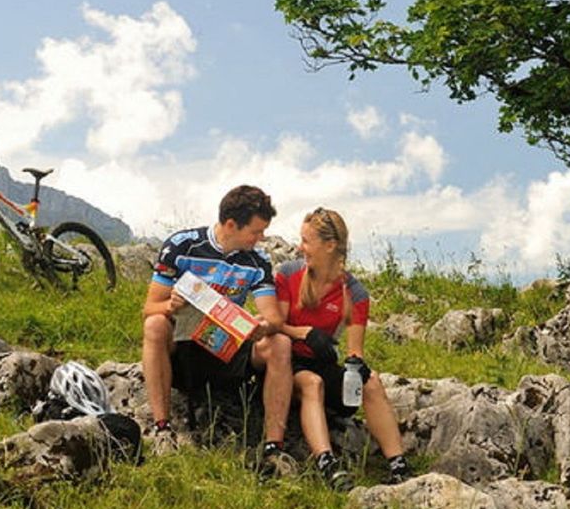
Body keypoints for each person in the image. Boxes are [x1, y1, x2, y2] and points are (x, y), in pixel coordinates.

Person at [141, 184, 295, 475]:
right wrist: (171, 306)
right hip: (184, 348)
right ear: (231, 225)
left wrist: (263, 326)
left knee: (280, 344)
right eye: (256, 231)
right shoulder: (181, 246)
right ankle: (162, 429)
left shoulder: (257, 260)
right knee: (155, 324)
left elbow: (273, 317)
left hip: (227, 348)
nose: (261, 238)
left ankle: (275, 449)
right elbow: (150, 308)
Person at [275, 207, 412, 490]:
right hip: (287, 363)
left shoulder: (355, 292)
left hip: (324, 362)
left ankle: (398, 465)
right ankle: (327, 464)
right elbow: (274, 326)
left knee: (371, 381)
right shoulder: (288, 274)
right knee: (312, 383)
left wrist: (355, 364)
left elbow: (355, 350)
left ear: (330, 245)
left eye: (306, 241)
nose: (300, 247)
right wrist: (305, 334)